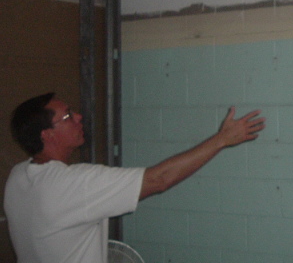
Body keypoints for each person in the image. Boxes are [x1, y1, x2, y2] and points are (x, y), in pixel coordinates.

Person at [4, 92, 265, 263]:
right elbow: (159, 179)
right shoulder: (73, 184)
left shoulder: (18, 177)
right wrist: (221, 140)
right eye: (68, 115)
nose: (79, 117)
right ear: (47, 135)